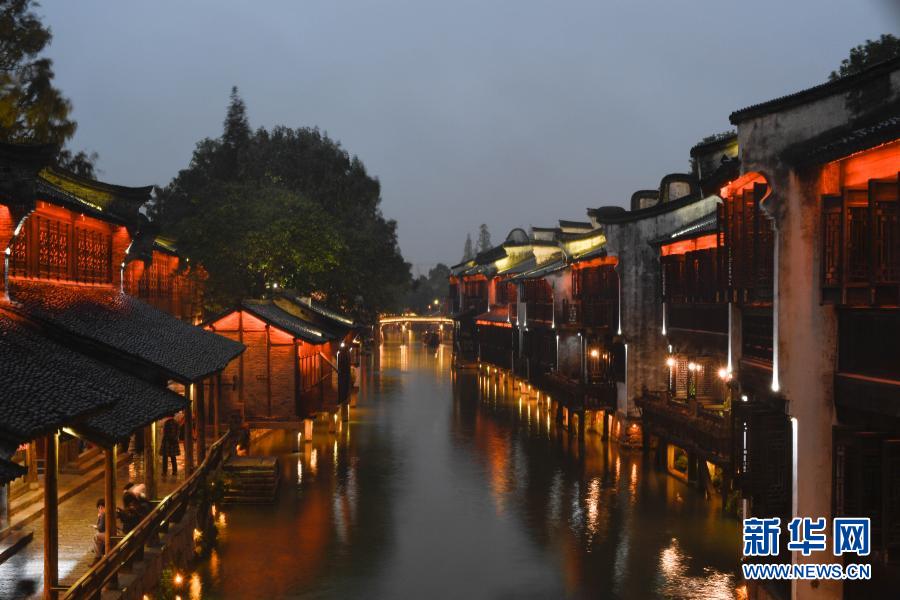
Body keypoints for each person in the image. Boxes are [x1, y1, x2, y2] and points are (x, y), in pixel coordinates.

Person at [91, 498, 106, 563]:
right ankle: (97, 550)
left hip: (112, 534)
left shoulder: (104, 515)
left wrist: (99, 517)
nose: (100, 510)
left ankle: (97, 556)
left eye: (101, 508)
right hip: (113, 532)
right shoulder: (107, 512)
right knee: (97, 535)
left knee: (97, 536)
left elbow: (101, 528)